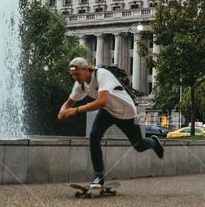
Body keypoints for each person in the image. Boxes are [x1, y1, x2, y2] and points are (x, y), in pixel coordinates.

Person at [58, 57, 164, 190]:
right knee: (94, 136)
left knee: (139, 145)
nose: (75, 78)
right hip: (108, 111)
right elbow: (69, 103)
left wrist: (76, 110)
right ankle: (99, 176)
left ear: (86, 69)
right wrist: (62, 112)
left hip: (126, 112)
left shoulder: (102, 74)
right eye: (73, 75)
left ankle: (154, 142)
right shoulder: (80, 85)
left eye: (77, 74)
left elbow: (101, 101)